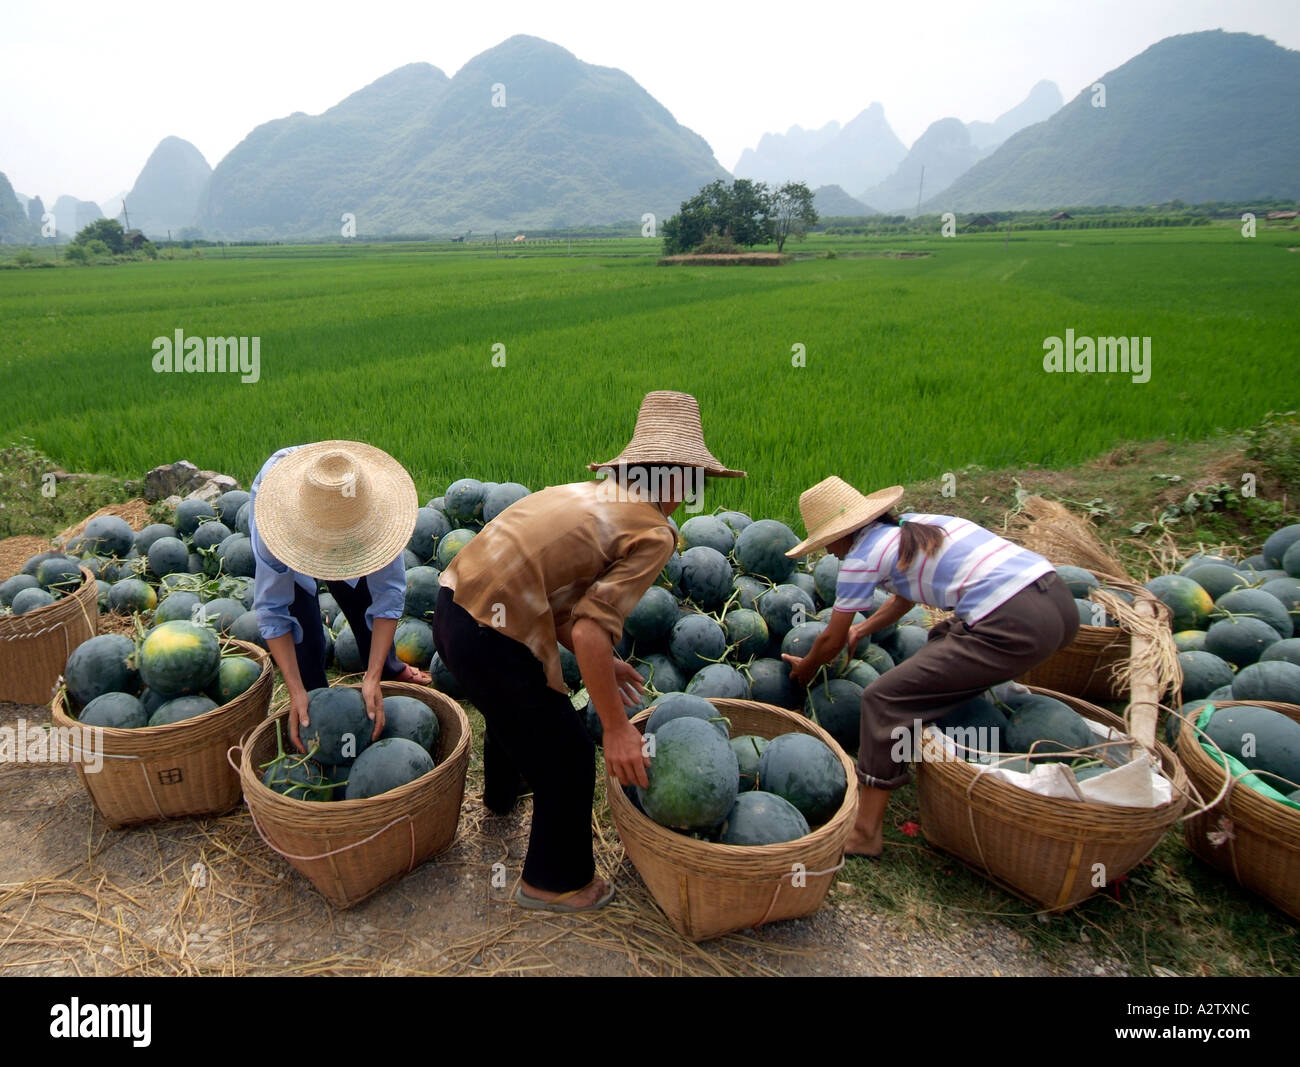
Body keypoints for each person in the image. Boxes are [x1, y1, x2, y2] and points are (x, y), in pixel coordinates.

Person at [433, 391, 744, 912]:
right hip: (490, 636)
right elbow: (589, 633)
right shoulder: (653, 530)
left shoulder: (588, 495)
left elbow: (552, 600)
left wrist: (605, 661)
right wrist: (618, 728)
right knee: (571, 754)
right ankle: (555, 884)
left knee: (516, 707)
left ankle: (502, 799)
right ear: (683, 480)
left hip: (451, 609)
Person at [781, 476, 1079, 857]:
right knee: (942, 637)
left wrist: (805, 668)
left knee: (884, 699)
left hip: (1015, 621)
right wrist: (865, 629)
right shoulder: (915, 527)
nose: (831, 555)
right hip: (1057, 604)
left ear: (843, 535)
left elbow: (829, 640)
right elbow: (903, 599)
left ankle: (866, 832)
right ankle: (933, 741)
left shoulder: (860, 558)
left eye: (828, 545)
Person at [248, 440, 431, 755]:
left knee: (363, 603)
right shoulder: (273, 523)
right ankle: (313, 698)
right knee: (306, 639)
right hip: (291, 508)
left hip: (348, 509)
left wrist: (372, 675)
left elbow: (388, 596)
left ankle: (386, 667)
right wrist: (296, 691)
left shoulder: (378, 510)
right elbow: (273, 611)